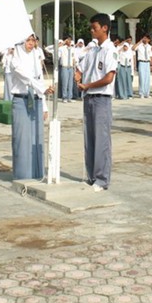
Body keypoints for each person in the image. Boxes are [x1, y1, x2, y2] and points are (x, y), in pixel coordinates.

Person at [75, 13, 117, 192]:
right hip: (89, 98)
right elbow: (81, 67)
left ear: (105, 28)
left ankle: (101, 179)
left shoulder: (110, 50)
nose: (92, 31)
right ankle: (91, 175)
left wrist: (88, 85)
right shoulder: (92, 50)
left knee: (101, 140)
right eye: (91, 28)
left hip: (101, 98)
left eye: (95, 28)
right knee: (89, 139)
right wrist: (77, 75)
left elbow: (108, 77)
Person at [10, 34, 54, 180]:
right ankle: (23, 176)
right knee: (22, 140)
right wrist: (42, 89)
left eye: (33, 40)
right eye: (28, 40)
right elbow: (25, 77)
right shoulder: (16, 56)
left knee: (37, 139)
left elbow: (39, 78)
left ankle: (37, 174)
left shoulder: (36, 56)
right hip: (22, 100)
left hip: (36, 100)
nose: (31, 43)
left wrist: (45, 106)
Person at [57, 36, 74, 103]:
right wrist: (63, 42)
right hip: (64, 67)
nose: (69, 42)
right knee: (65, 83)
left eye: (70, 40)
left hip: (71, 67)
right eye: (68, 40)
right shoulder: (61, 48)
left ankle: (69, 97)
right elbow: (56, 49)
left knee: (70, 83)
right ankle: (64, 97)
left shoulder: (72, 49)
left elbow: (73, 58)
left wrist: (74, 68)